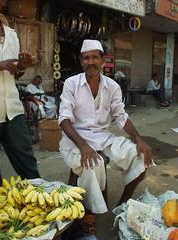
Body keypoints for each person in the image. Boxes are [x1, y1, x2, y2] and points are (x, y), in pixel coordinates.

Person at [58, 39, 153, 220]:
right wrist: (83, 146)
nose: (91, 62)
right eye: (86, 58)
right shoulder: (71, 83)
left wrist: (138, 139)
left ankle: (121, 206)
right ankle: (88, 215)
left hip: (103, 137)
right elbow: (63, 119)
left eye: (95, 57)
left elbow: (121, 116)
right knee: (93, 163)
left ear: (103, 60)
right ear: (81, 61)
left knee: (140, 157)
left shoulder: (112, 86)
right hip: (75, 139)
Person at [0, 1, 40, 185]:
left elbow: (15, 72)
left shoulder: (11, 34)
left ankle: (39, 197)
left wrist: (22, 66)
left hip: (12, 107)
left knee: (26, 160)